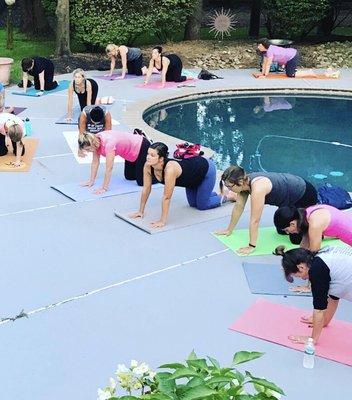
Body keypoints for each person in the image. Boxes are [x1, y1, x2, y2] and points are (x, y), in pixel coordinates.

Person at [130, 142, 235, 229]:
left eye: (152, 155)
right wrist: (141, 211)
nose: (148, 157)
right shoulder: (148, 166)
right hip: (191, 180)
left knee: (202, 205)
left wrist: (162, 221)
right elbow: (146, 188)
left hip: (206, 170)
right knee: (193, 204)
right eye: (148, 154)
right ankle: (209, 193)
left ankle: (229, 196)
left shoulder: (170, 169)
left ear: (161, 158)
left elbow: (167, 197)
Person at [215, 166, 318, 254]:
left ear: (240, 181)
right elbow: (238, 207)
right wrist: (229, 229)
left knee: (296, 239)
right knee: (282, 230)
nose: (229, 189)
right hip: (287, 200)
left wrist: (251, 246)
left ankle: (317, 229)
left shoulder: (258, 188)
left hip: (304, 194)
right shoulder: (244, 185)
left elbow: (255, 220)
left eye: (229, 186)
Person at [274, 245, 352, 345]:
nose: (302, 279)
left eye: (298, 275)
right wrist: (324, 322)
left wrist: (312, 340)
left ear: (301, 267)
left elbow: (319, 309)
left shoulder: (317, 270)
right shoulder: (319, 258)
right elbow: (334, 296)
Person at [78, 129, 152, 192]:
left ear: (93, 143)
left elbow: (109, 168)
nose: (88, 151)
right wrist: (91, 181)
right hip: (129, 153)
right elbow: (95, 162)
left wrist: (104, 188)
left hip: (141, 146)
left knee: (141, 182)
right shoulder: (95, 141)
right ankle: (142, 167)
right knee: (129, 177)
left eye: (88, 149)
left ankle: (159, 176)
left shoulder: (109, 143)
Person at [274, 204, 352, 251]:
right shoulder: (307, 213)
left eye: (287, 230)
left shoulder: (314, 225)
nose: (288, 233)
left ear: (292, 224)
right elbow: (304, 246)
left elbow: (315, 253)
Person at [254, 38, 319, 79]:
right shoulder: (265, 52)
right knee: (289, 72)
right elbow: (264, 63)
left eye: (259, 45)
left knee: (290, 74)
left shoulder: (270, 51)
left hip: (292, 56)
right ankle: (305, 72)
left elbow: (268, 64)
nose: (258, 47)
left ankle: (309, 73)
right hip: (288, 56)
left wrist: (265, 76)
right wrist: (262, 74)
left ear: (263, 45)